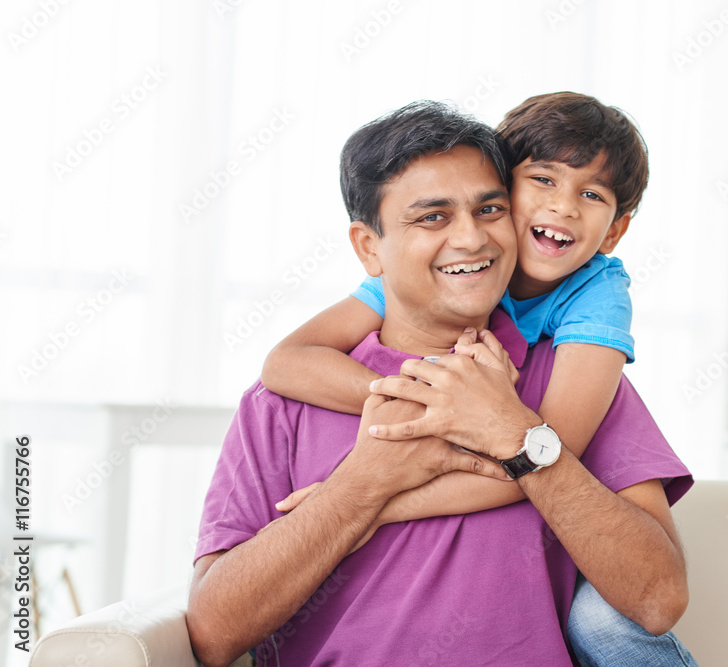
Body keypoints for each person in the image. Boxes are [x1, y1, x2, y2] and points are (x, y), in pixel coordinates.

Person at [188, 101, 693, 667]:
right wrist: (362, 487)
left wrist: (517, 433)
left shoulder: (573, 378)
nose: (471, 239)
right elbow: (212, 635)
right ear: (369, 247)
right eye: (432, 217)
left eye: (490, 209)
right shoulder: (283, 403)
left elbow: (656, 601)